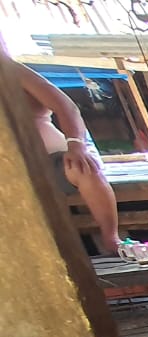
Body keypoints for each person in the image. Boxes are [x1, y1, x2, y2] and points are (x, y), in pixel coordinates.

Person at [16, 63, 119, 254]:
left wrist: (76, 144)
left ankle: (111, 237)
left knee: (84, 168)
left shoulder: (12, 71)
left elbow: (66, 107)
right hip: (11, 174)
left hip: (53, 160)